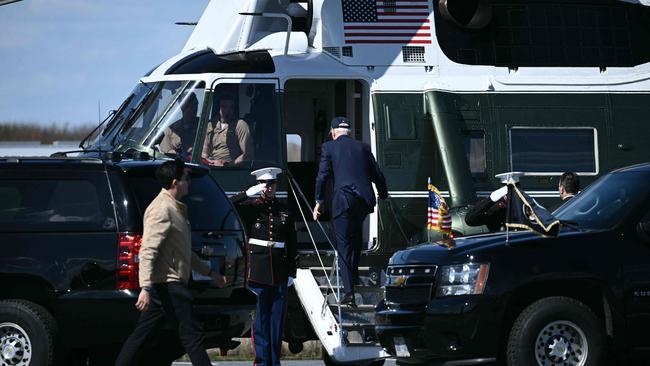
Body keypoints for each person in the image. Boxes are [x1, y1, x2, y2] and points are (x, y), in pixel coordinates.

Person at [115, 159, 226, 366]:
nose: (189, 182)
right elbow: (148, 250)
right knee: (191, 336)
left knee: (142, 337)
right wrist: (145, 287)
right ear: (175, 182)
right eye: (187, 178)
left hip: (165, 287)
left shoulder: (174, 208)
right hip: (168, 285)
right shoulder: (162, 210)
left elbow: (184, 252)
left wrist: (210, 273)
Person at [312, 117, 388, 307]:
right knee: (354, 242)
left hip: (343, 201)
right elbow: (377, 174)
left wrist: (319, 201)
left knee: (344, 246)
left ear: (333, 132)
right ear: (349, 132)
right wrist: (384, 194)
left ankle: (349, 293)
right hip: (363, 202)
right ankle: (352, 278)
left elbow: (322, 177)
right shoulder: (363, 147)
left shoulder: (329, 147)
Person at [230, 167, 296, 366]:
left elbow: (292, 243)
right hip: (258, 270)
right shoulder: (251, 208)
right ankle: (262, 361)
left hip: (279, 270)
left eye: (272, 185)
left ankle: (274, 362)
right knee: (261, 322)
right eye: (265, 185)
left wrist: (292, 271)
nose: (269, 189)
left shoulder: (284, 210)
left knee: (276, 323)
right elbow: (228, 206)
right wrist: (245, 194)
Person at [202, 93, 254, 166]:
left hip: (230, 170)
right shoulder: (211, 125)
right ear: (218, 108)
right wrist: (211, 162)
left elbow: (248, 154)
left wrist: (229, 165)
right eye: (224, 107)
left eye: (231, 107)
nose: (227, 110)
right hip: (212, 167)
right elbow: (204, 153)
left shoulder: (240, 125)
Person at [159, 93, 200, 158]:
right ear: (182, 107)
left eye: (195, 104)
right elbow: (164, 153)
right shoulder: (171, 130)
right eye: (191, 106)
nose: (195, 108)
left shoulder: (204, 126)